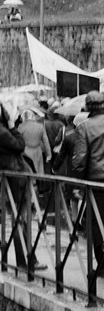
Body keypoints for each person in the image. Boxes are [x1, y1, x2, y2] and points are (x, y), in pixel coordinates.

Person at [0, 96, 47, 271]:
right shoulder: (0, 132)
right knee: (22, 219)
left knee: (18, 218)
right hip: (16, 175)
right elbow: (19, 145)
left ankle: (24, 260)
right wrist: (11, 125)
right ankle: (28, 261)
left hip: (6, 173)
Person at [73, 91, 104, 274]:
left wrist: (78, 184)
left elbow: (79, 161)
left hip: (95, 183)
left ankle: (101, 265)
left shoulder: (84, 127)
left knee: (97, 225)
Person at [18, 110, 52, 175]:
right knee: (38, 170)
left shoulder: (21, 126)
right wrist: (48, 154)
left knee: (28, 171)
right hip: (38, 151)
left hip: (26, 152)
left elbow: (18, 140)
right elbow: (45, 141)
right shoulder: (40, 126)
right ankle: (38, 183)